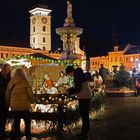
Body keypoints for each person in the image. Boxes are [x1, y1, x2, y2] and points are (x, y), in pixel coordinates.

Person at [5, 68, 35, 140]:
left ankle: (17, 136)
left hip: (14, 107)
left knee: (16, 121)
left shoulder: (11, 82)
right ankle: (28, 135)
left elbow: (7, 94)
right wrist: (32, 101)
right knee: (27, 122)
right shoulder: (25, 82)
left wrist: (8, 103)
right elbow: (30, 94)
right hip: (24, 106)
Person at [65, 66, 92, 140]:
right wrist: (71, 89)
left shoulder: (77, 74)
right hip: (84, 95)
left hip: (84, 96)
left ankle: (85, 132)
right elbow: (78, 86)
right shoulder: (78, 73)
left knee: (84, 114)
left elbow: (78, 87)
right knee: (84, 114)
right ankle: (84, 132)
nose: (70, 76)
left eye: (69, 74)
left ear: (71, 72)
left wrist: (70, 92)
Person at [0, 63, 12, 137]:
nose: (8, 71)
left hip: (6, 99)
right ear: (4, 68)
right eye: (7, 69)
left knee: (4, 116)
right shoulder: (0, 76)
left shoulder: (8, 77)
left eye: (9, 69)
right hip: (0, 99)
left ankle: (2, 131)